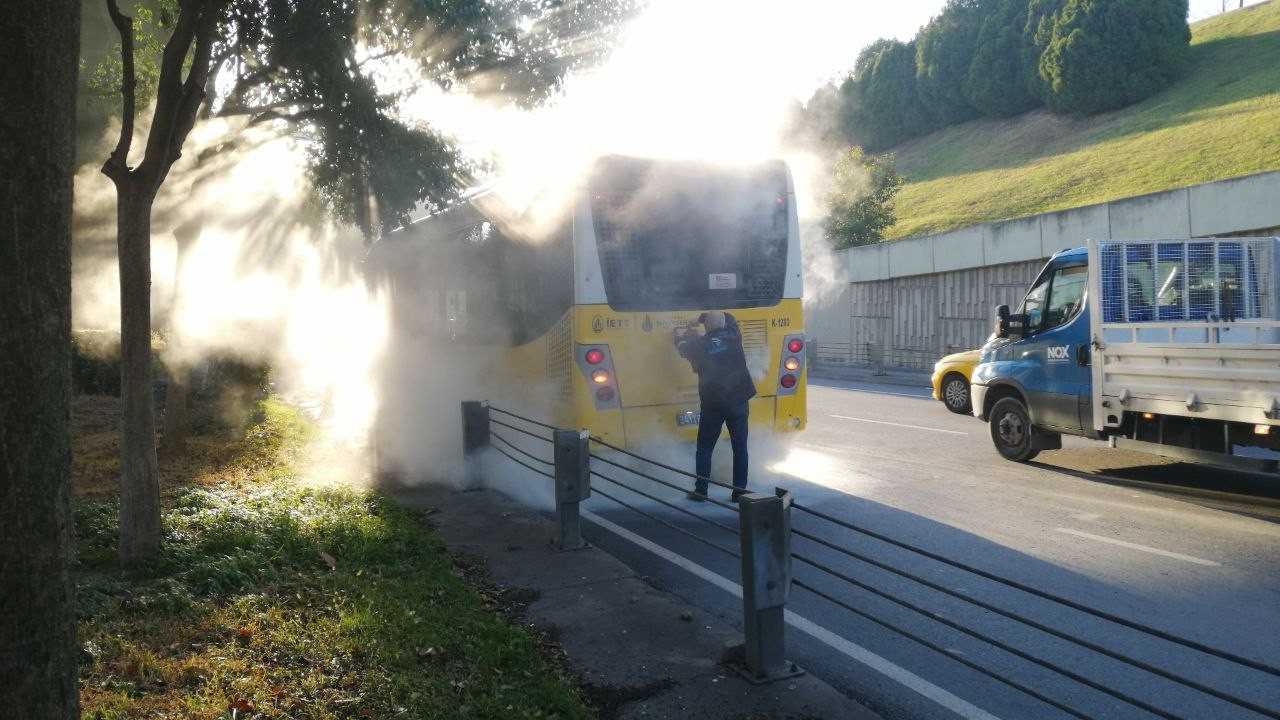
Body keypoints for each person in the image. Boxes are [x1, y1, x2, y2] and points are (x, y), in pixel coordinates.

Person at [673, 310, 756, 501]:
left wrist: (677, 336)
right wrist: (701, 317)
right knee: (740, 447)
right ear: (724, 324)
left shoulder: (698, 345)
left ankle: (701, 490)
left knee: (704, 447)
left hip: (713, 404)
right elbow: (730, 316)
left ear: (706, 327)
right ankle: (739, 492)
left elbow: (681, 347)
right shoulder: (734, 335)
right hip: (738, 401)